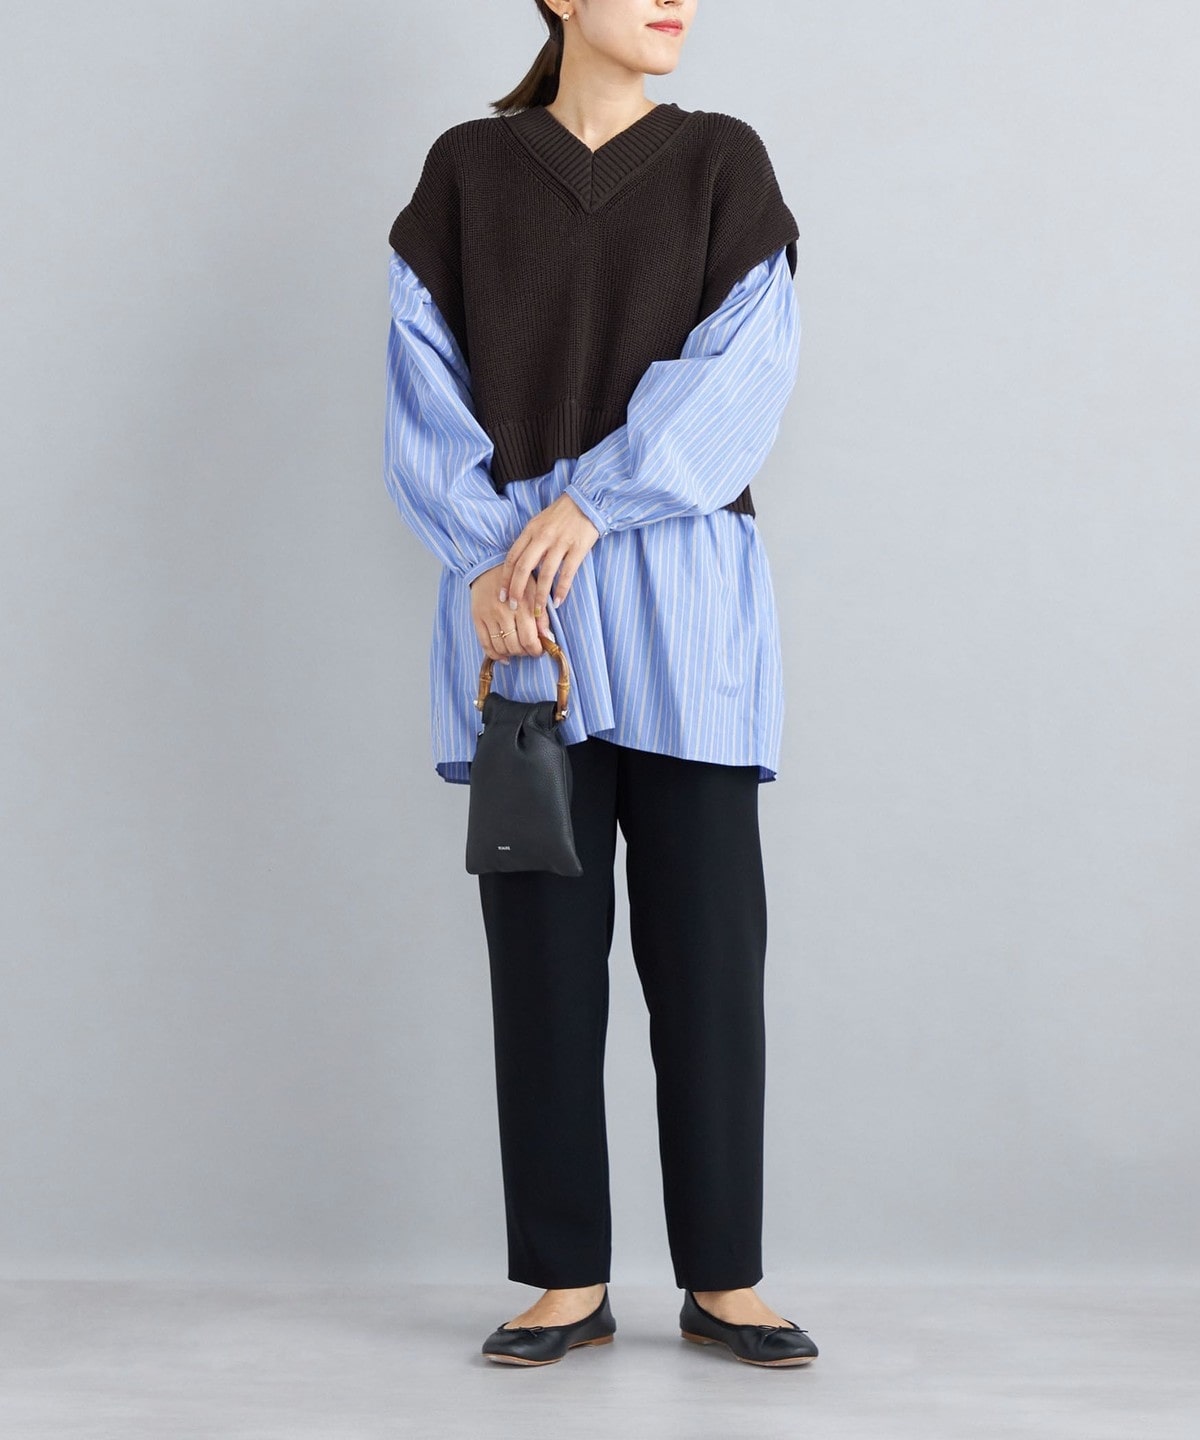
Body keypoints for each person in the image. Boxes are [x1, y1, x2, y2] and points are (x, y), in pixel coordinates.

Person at [382, 0, 820, 1369]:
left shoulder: (721, 162)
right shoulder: (467, 171)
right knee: (544, 968)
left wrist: (598, 502)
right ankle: (563, 1280)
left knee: (710, 965)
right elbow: (419, 377)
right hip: (526, 622)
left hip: (685, 611)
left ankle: (726, 1280)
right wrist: (485, 550)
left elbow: (749, 367)